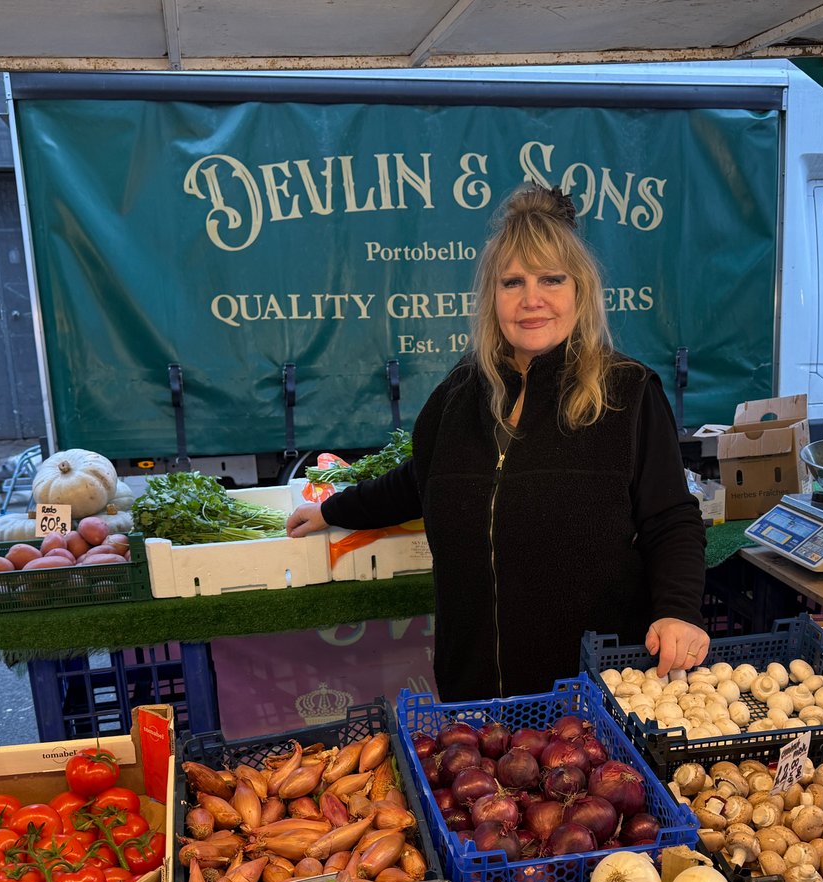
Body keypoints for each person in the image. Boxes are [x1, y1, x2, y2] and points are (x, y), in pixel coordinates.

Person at [287, 186, 709, 701]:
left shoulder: (628, 392)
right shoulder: (462, 391)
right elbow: (421, 479)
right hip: (472, 684)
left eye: (551, 279)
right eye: (513, 282)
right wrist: (337, 510)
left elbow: (671, 518)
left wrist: (678, 611)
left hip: (591, 688)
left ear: (580, 290)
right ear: (493, 298)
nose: (532, 299)